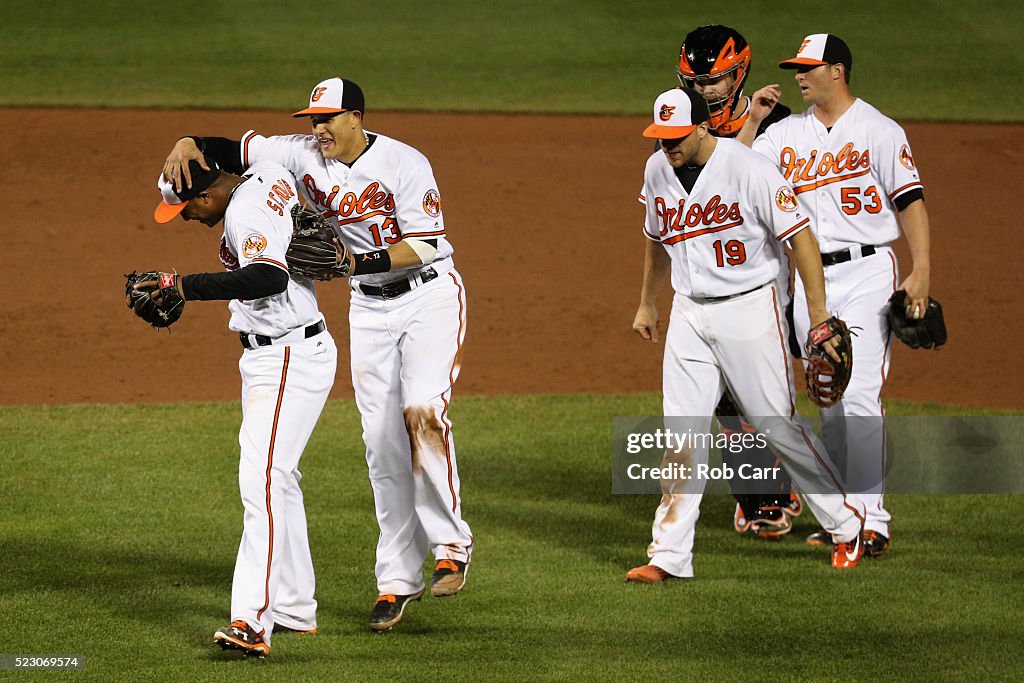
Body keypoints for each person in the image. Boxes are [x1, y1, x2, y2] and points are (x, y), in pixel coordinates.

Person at [162, 77, 474, 631]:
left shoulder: (406, 163)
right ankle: (397, 581)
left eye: (329, 118)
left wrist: (361, 263)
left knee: (422, 407)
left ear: (357, 116)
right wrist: (190, 140)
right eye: (313, 119)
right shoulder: (299, 153)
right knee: (379, 445)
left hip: (427, 295)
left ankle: (451, 543)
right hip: (369, 309)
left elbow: (427, 242)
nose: (319, 129)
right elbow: (230, 152)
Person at [625, 87, 866, 583]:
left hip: (750, 310)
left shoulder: (750, 169)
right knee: (682, 434)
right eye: (660, 136)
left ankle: (846, 524)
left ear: (702, 128)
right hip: (689, 314)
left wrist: (817, 314)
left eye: (675, 136)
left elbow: (801, 236)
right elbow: (656, 240)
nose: (667, 145)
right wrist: (649, 301)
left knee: (779, 427)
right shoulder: (656, 169)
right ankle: (668, 555)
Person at [135, 157, 337, 657]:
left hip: (287, 353)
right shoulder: (265, 173)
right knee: (278, 481)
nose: (187, 219)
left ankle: (252, 620)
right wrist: (191, 142)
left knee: (262, 483)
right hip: (286, 351)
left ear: (205, 196)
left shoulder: (244, 214)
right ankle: (294, 606)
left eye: (186, 210)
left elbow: (267, 278)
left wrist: (186, 286)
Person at [747, 34, 933, 557]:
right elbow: (731, 170)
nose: (798, 76)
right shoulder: (782, 135)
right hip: (809, 282)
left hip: (869, 269)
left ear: (838, 71)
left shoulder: (879, 130)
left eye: (808, 68)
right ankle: (847, 516)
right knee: (829, 396)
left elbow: (911, 201)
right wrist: (752, 121)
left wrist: (921, 270)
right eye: (796, 68)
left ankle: (874, 520)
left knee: (857, 395)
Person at [675, 24, 802, 538]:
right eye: (697, 80)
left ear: (741, 73)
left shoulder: (781, 127)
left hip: (761, 279)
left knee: (762, 394)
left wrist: (752, 123)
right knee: (725, 396)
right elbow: (698, 188)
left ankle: (782, 485)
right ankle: (760, 496)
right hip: (705, 277)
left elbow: (750, 181)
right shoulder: (681, 127)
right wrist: (746, 122)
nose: (705, 90)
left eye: (717, 80)